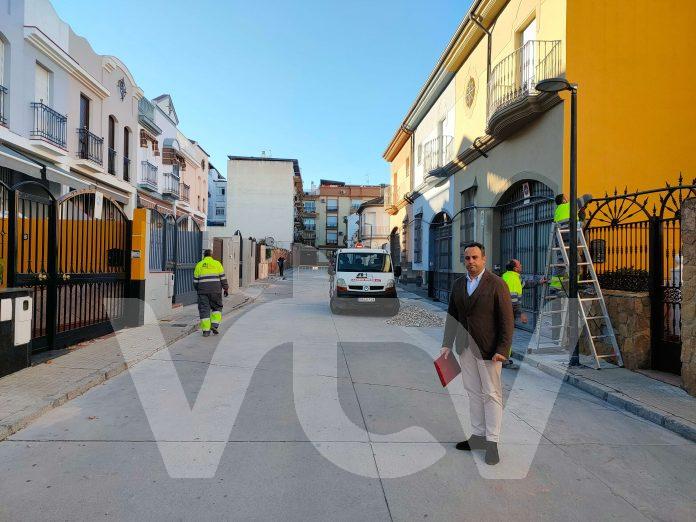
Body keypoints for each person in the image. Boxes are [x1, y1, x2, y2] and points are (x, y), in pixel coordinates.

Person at [440, 242, 514, 465]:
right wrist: (446, 343)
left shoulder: (497, 284)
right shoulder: (459, 284)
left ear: (484, 259)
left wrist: (503, 349)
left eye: (474, 258)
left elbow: (507, 320)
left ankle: (492, 442)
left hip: (489, 350)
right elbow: (453, 316)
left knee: (491, 395)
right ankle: (478, 436)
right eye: (467, 258)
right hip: (464, 348)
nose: (470, 262)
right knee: (473, 393)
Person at [193, 249, 229, 337]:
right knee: (217, 308)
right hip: (216, 291)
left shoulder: (199, 265)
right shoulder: (217, 264)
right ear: (211, 255)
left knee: (204, 310)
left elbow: (195, 281)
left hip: (203, 292)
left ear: (204, 256)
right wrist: (226, 288)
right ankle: (214, 325)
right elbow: (223, 278)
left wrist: (199, 290)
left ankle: (206, 331)